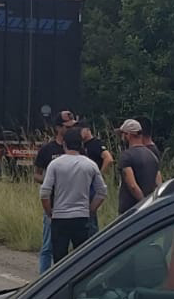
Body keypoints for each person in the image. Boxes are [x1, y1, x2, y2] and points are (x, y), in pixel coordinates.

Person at [40, 128, 107, 265]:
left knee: (59, 259)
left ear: (64, 144)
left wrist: (49, 212)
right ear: (81, 144)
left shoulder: (55, 164)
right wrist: (91, 209)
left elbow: (45, 192)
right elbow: (102, 191)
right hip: (81, 216)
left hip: (60, 216)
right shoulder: (90, 164)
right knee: (81, 258)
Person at [33, 109, 77, 274]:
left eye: (73, 126)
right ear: (58, 128)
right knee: (48, 245)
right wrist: (49, 182)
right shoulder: (47, 149)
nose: (71, 129)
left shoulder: (77, 148)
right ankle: (44, 278)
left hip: (74, 203)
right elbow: (36, 174)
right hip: (53, 203)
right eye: (68, 127)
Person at [116, 118, 162, 215]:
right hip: (150, 209)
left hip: (130, 210)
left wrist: (143, 203)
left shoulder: (126, 156)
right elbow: (158, 183)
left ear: (128, 135)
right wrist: (151, 203)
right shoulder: (152, 155)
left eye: (122, 135)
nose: (122, 138)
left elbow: (132, 186)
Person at [77, 122, 114, 234]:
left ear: (87, 129)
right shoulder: (81, 145)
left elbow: (108, 159)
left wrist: (99, 175)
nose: (79, 133)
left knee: (90, 218)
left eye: (80, 130)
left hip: (92, 184)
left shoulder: (96, 143)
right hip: (82, 183)